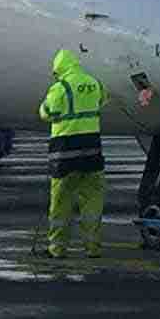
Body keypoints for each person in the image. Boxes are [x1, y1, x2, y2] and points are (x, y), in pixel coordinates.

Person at [40, 47, 107, 258]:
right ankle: (93, 247)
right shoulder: (94, 83)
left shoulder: (60, 87)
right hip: (92, 152)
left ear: (60, 68)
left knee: (61, 204)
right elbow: (104, 100)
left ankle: (57, 248)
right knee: (92, 201)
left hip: (65, 154)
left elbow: (46, 112)